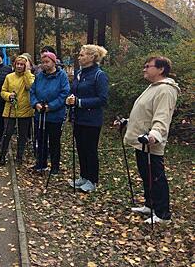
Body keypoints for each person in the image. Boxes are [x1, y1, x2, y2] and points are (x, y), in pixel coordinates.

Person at [122, 56, 179, 224]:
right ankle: (150, 204)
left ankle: (162, 214)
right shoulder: (153, 87)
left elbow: (162, 116)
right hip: (141, 140)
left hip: (151, 141)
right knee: (145, 174)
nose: (144, 69)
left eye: (148, 66)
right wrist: (128, 121)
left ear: (161, 69)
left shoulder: (166, 90)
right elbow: (145, 111)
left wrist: (155, 134)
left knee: (156, 177)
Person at [66, 44, 109, 193]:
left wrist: (80, 102)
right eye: (80, 55)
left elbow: (103, 99)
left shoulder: (99, 75)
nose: (79, 57)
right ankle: (83, 176)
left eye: (82, 55)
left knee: (90, 150)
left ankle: (92, 180)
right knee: (81, 148)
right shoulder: (79, 73)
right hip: (78, 118)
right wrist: (70, 99)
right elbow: (73, 91)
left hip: (92, 120)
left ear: (92, 57)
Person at [30, 51, 70, 174]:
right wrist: (35, 103)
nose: (44, 65)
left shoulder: (61, 76)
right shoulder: (40, 76)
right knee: (40, 139)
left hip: (54, 115)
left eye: (47, 62)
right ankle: (40, 163)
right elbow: (32, 91)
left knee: (54, 141)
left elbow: (64, 93)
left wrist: (51, 106)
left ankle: (55, 166)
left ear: (53, 62)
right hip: (40, 114)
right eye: (43, 62)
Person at [0, 55, 35, 166]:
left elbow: (31, 87)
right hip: (10, 109)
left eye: (22, 64)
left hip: (25, 110)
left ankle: (19, 156)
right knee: (7, 133)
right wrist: (9, 96)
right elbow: (3, 91)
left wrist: (27, 72)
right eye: (17, 64)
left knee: (22, 135)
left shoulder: (30, 76)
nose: (19, 66)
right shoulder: (9, 77)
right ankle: (2, 155)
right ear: (14, 65)